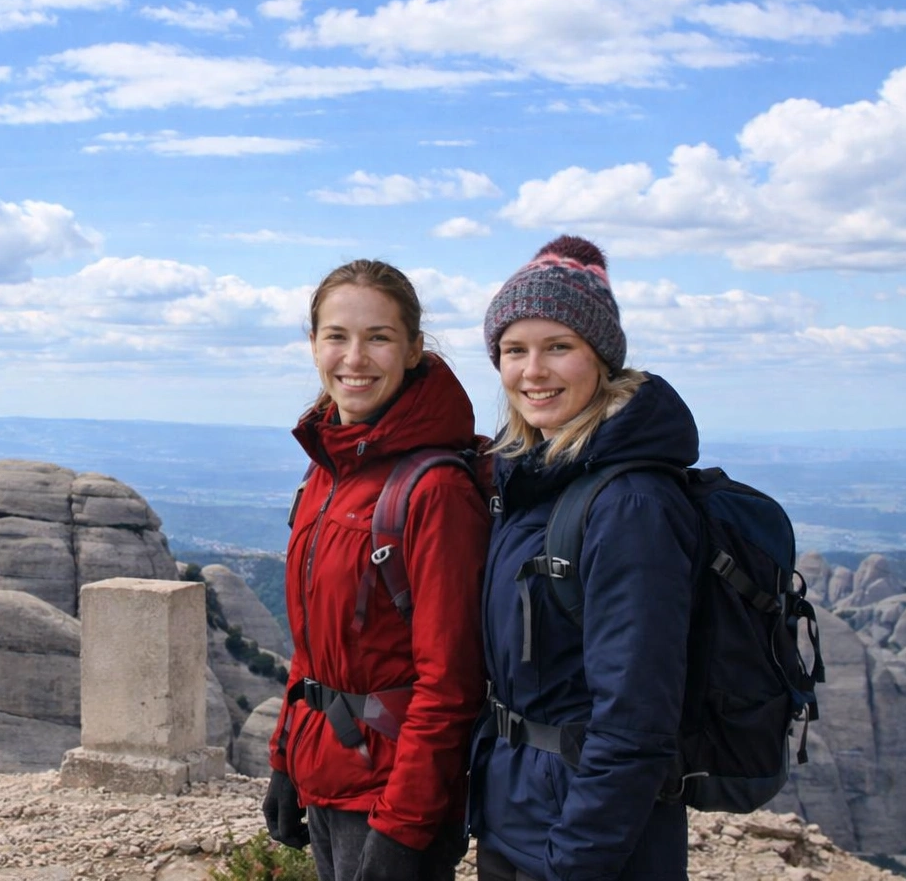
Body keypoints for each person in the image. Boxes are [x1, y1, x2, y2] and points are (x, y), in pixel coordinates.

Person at [469, 236, 701, 881]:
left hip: (587, 839)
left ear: (601, 357)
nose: (532, 371)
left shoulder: (630, 504)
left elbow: (635, 718)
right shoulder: (531, 481)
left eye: (559, 347)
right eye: (515, 350)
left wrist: (578, 860)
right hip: (519, 814)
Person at [263, 259, 490, 881]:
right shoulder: (328, 467)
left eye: (379, 337)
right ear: (313, 345)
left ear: (414, 349)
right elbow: (316, 641)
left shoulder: (435, 488)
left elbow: (451, 683)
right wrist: (286, 758)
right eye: (337, 335)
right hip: (329, 773)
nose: (354, 357)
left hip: (394, 793)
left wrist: (405, 828)